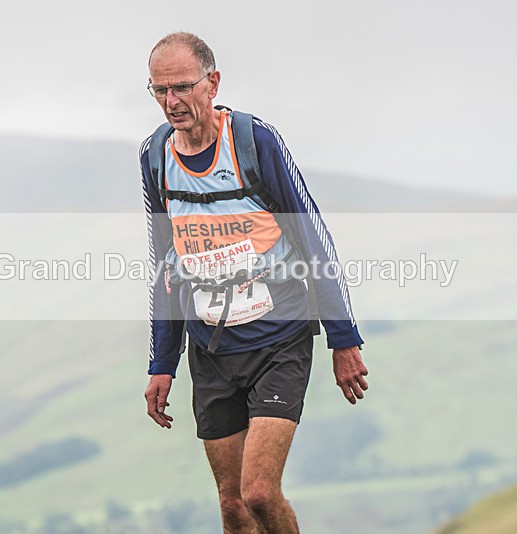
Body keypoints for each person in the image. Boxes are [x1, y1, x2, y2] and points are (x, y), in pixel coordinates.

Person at [139, 32, 368, 533]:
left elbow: (312, 238)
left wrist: (343, 338)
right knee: (232, 508)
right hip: (211, 347)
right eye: (159, 91)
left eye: (181, 87)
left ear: (213, 82)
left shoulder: (253, 142)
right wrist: (162, 362)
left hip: (278, 340)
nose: (171, 102)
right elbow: (166, 263)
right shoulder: (155, 156)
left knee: (260, 493)